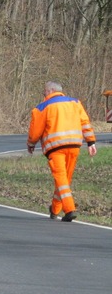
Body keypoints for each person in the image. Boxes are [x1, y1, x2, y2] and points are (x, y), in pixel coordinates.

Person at [27, 81, 97, 222]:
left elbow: (35, 131)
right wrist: (91, 141)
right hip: (74, 146)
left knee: (61, 179)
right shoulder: (75, 102)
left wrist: (31, 143)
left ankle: (70, 210)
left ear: (51, 91)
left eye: (44, 91)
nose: (43, 94)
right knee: (64, 180)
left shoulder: (42, 108)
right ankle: (54, 209)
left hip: (55, 148)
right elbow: (85, 122)